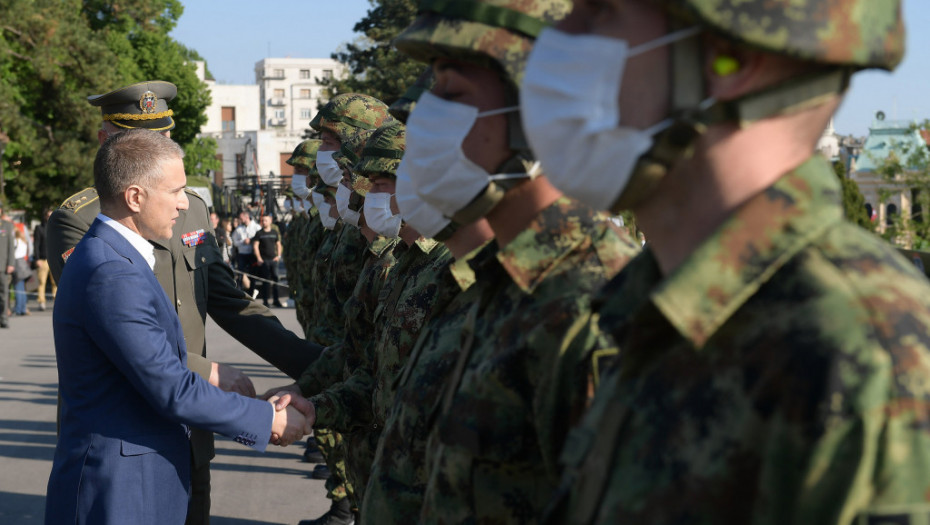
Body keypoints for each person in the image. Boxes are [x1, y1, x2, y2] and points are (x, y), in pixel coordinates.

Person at [520, 1, 930, 524]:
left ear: (729, 59)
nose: (557, 36)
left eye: (600, 10)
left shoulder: (862, 355)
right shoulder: (655, 310)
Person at [389, 0, 640, 521]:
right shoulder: (498, 283)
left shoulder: (594, 305)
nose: (425, 121)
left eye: (452, 94)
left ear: (543, 114)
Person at [46, 80, 322, 525]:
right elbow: (144, 357)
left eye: (165, 138)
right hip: (130, 438)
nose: (181, 200)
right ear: (110, 145)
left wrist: (318, 365)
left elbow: (229, 301)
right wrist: (246, 404)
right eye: (144, 141)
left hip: (186, 426)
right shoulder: (86, 234)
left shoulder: (186, 207)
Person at [251, 214, 284, 308]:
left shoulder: (274, 232)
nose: (264, 222)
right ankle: (265, 301)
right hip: (264, 260)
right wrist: (259, 258)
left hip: (274, 260)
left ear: (270, 221)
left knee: (276, 280)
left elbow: (278, 244)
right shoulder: (259, 233)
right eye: (263, 220)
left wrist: (279, 256)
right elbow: (255, 246)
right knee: (265, 281)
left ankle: (276, 300)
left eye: (266, 220)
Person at [232, 210, 261, 293]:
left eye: (241, 218)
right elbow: (234, 241)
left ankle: (252, 291)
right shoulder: (239, 229)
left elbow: (260, 239)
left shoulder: (256, 227)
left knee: (253, 274)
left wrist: (251, 241)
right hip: (242, 254)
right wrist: (242, 242)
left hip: (252, 254)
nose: (240, 220)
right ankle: (240, 291)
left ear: (246, 217)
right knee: (240, 273)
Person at [32, 209, 56, 311]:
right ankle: (41, 302)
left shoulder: (56, 227)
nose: (50, 217)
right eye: (48, 216)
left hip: (54, 258)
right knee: (41, 282)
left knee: (56, 281)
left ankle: (56, 301)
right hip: (43, 259)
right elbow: (36, 244)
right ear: (45, 216)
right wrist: (37, 258)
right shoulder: (39, 228)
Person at [12, 227, 29, 316]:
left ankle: (18, 309)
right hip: (23, 264)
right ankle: (23, 308)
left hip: (17, 263)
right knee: (22, 288)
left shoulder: (15, 241)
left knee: (17, 288)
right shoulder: (23, 241)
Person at [0, 202, 12, 328]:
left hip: (2, 266)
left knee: (3, 294)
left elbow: (11, 247)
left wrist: (11, 263)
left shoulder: (6, 226)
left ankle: (3, 319)